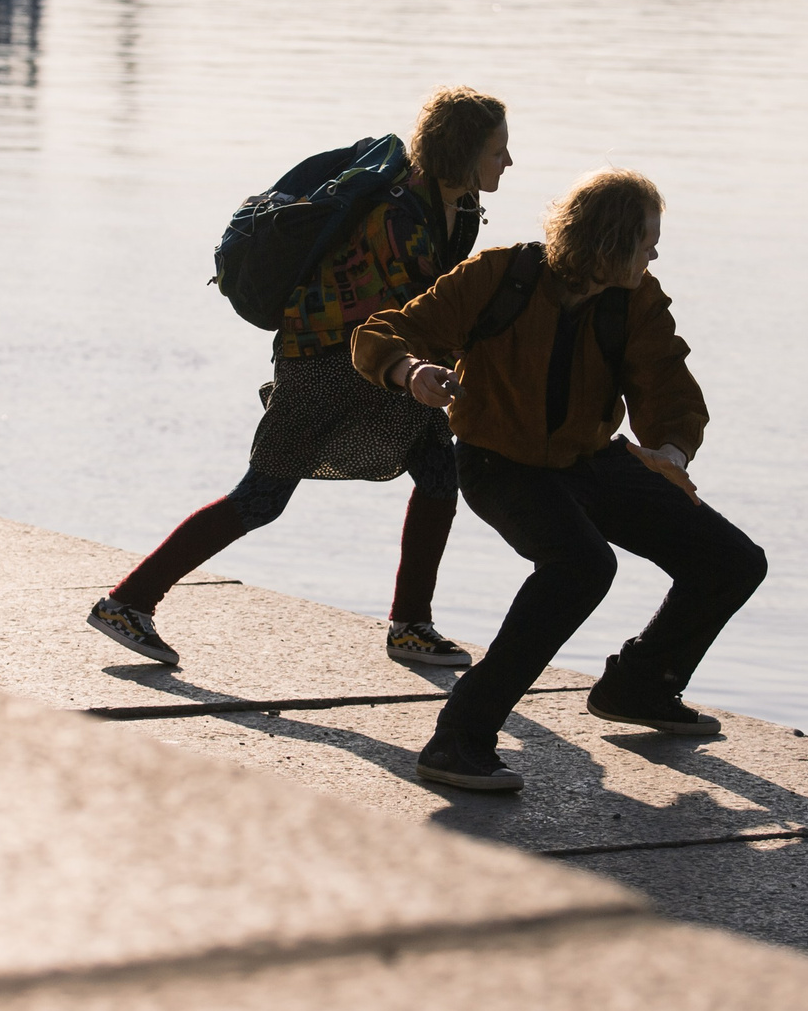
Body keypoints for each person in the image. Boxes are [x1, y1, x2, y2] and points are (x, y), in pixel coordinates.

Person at [351, 168, 766, 792]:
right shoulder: (499, 277)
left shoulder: (635, 297)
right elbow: (384, 334)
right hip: (499, 464)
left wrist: (674, 453)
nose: (655, 251)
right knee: (580, 567)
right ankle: (457, 740)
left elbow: (668, 386)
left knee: (732, 560)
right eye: (648, 238)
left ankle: (640, 685)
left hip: (592, 461)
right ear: (611, 241)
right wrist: (411, 372)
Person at [87, 86, 516, 670]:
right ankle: (128, 601)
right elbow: (428, 310)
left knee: (441, 470)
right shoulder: (400, 217)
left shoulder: (456, 208)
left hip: (378, 361)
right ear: (466, 153)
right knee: (262, 498)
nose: (508, 163)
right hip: (321, 362)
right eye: (499, 151)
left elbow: (438, 311)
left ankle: (411, 624)